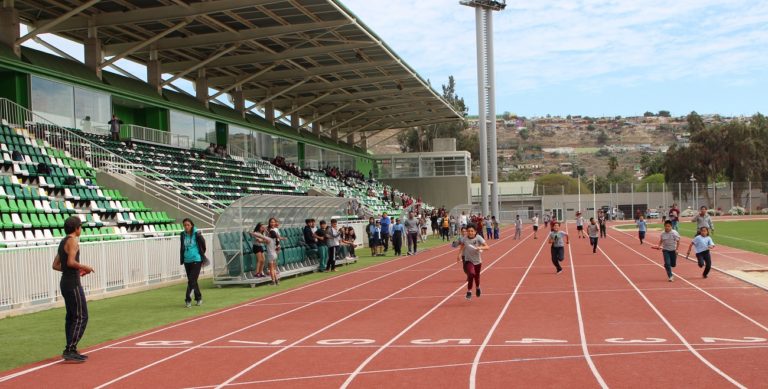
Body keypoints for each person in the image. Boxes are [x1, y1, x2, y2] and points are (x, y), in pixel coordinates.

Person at [52, 216, 94, 362]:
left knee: (71, 317)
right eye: (80, 227)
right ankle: (70, 349)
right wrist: (84, 267)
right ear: (77, 228)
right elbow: (70, 262)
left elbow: (56, 265)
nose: (81, 229)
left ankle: (71, 348)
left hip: (66, 282)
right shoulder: (73, 241)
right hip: (72, 284)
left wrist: (76, 271)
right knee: (82, 316)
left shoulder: (63, 241)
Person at [456, 224, 490, 301]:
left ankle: (477, 288)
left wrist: (480, 247)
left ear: (475, 232)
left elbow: (487, 247)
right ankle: (469, 291)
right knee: (471, 274)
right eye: (468, 231)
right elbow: (462, 246)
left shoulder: (478, 238)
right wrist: (458, 255)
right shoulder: (464, 239)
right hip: (468, 260)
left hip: (477, 261)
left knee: (477, 276)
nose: (470, 232)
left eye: (472, 231)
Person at [180, 218, 206, 307]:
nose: (186, 227)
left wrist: (200, 254)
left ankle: (188, 299)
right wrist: (182, 258)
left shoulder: (197, 234)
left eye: (188, 225)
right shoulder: (182, 235)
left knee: (191, 280)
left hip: (196, 260)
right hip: (187, 260)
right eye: (185, 225)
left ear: (192, 225)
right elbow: (182, 247)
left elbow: (203, 245)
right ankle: (198, 298)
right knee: (193, 281)